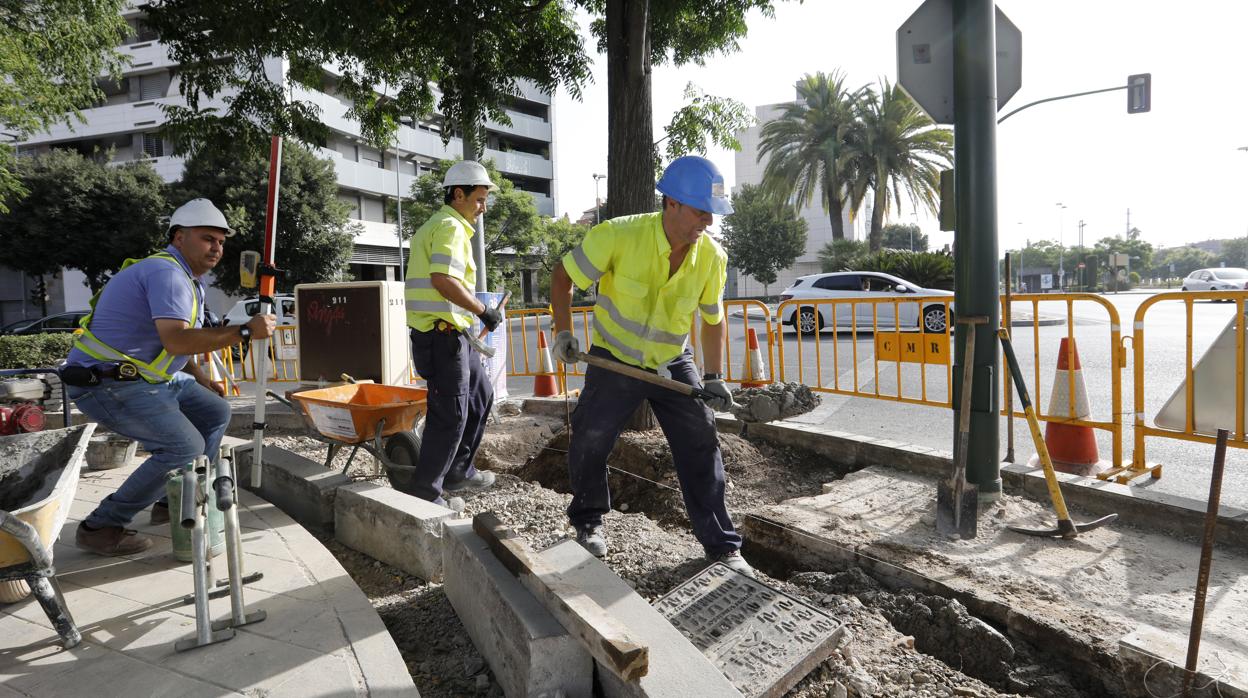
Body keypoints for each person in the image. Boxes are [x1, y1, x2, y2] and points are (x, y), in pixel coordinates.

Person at [549, 155, 754, 578]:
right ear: (672, 203)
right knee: (590, 435)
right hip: (613, 357)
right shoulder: (618, 235)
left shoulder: (712, 257)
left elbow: (712, 321)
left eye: (711, 214)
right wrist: (564, 332)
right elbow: (562, 277)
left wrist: (713, 378)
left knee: (701, 441)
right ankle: (587, 521)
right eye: (701, 212)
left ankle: (722, 547)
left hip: (671, 361)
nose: (708, 223)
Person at [67, 198, 276, 556]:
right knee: (183, 447)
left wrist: (196, 374)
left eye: (221, 241)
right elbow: (176, 339)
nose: (217, 247)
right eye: (208, 238)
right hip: (109, 383)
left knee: (213, 411)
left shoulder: (185, 278)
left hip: (144, 378)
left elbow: (167, 343)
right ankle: (102, 526)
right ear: (179, 237)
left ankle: (175, 500)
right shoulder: (167, 274)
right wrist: (244, 333)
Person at [403, 160, 502, 505]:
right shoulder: (450, 227)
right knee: (452, 414)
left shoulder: (442, 226)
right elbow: (443, 281)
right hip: (442, 338)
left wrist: (475, 316)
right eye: (478, 199)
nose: (483, 207)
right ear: (457, 194)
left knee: (480, 395)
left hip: (452, 335)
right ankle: (427, 492)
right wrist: (483, 309)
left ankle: (459, 470)